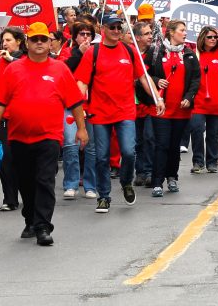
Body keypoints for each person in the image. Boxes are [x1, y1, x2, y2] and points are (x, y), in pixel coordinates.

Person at [0, 22, 87, 246]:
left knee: (45, 180)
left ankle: (42, 226)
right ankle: (30, 219)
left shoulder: (60, 69)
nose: (40, 43)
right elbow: (0, 102)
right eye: (35, 39)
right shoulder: (13, 69)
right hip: (18, 136)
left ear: (50, 43)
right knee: (25, 182)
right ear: (27, 43)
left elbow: (75, 102)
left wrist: (81, 129)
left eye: (44, 39)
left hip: (49, 136)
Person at [74, 14, 165, 214]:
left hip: (125, 111)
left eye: (119, 27)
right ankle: (104, 196)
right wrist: (77, 104)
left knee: (128, 152)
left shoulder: (130, 51)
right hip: (100, 113)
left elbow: (143, 77)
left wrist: (158, 98)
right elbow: (82, 82)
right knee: (102, 157)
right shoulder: (93, 52)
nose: (117, 31)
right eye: (112, 27)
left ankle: (126, 183)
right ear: (103, 29)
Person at [144, 20, 200, 196]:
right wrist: (155, 80)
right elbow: (143, 74)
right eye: (182, 30)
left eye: (185, 30)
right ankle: (157, 181)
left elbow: (195, 80)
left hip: (181, 110)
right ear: (171, 33)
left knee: (175, 145)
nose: (185, 33)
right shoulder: (155, 52)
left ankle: (172, 177)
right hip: (161, 109)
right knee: (162, 144)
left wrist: (188, 97)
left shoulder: (189, 54)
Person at [0, 27, 26, 211]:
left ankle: (28, 193)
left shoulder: (28, 59)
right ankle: (10, 198)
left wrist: (14, 61)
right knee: (5, 159)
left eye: (8, 40)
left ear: (19, 41)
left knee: (24, 159)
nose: (4, 44)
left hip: (24, 118)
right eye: (3, 41)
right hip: (3, 119)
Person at [59, 22, 98, 199]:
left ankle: (90, 185)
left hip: (93, 105)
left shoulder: (98, 51)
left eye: (88, 34)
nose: (85, 37)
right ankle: (71, 183)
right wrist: (79, 54)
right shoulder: (67, 52)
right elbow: (62, 71)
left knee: (91, 148)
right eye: (82, 34)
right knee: (70, 145)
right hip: (71, 106)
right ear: (75, 37)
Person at [189, 26, 218, 175]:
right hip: (199, 101)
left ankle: (212, 162)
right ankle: (198, 161)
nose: (213, 39)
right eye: (210, 37)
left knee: (214, 134)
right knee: (197, 129)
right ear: (202, 39)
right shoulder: (195, 55)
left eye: (215, 37)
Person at [132, 21, 156, 186]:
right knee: (137, 140)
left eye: (151, 33)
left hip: (150, 103)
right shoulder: (130, 53)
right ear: (138, 37)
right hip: (132, 104)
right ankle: (139, 172)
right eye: (147, 34)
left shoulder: (155, 53)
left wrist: (150, 81)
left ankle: (149, 171)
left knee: (149, 137)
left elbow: (159, 76)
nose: (150, 36)